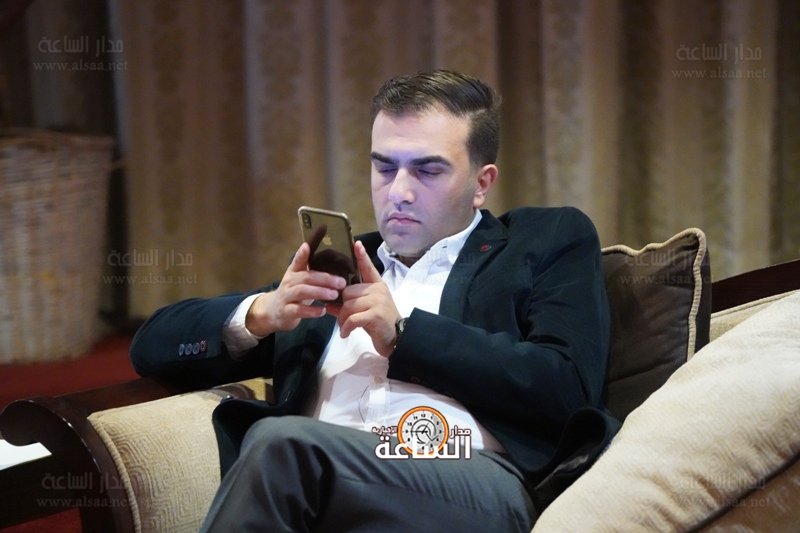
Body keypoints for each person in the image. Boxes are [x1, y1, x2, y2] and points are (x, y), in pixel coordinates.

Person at [130, 69, 619, 532]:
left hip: (465, 474)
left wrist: (404, 335)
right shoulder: (337, 266)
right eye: (385, 167)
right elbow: (151, 347)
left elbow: (567, 387)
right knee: (288, 447)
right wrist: (262, 313)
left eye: (428, 170)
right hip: (319, 471)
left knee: (283, 444)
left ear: (481, 183)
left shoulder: (543, 239)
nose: (398, 192)